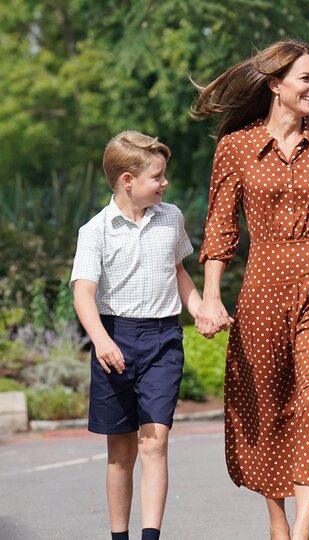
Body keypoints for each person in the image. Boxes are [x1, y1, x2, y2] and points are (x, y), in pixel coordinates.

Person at [189, 40, 309, 540]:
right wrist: (210, 297)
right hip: (262, 289)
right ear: (275, 84)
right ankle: (277, 522)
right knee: (265, 406)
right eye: (306, 79)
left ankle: (302, 529)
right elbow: (220, 230)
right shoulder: (236, 148)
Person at [71, 131, 203, 540]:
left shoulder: (172, 216)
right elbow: (83, 293)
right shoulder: (95, 231)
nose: (164, 184)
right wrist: (102, 340)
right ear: (127, 180)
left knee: (154, 442)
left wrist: (199, 310)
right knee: (121, 452)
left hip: (163, 339)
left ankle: (150, 537)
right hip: (115, 338)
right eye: (157, 177)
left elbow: (179, 271)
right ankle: (119, 536)